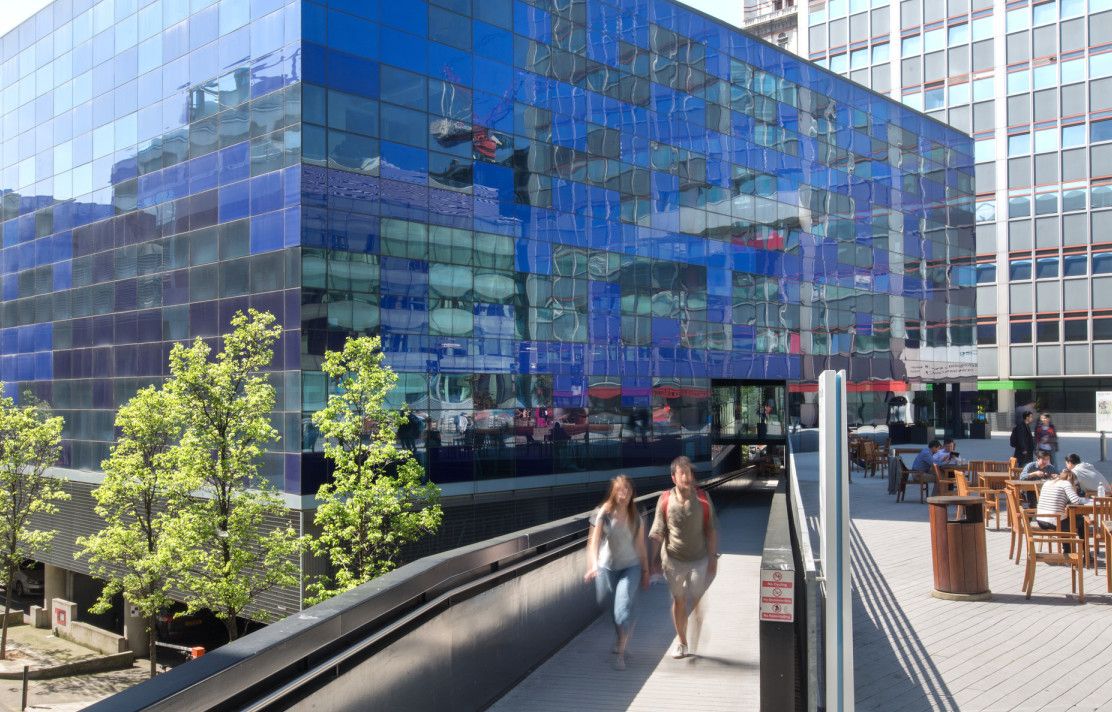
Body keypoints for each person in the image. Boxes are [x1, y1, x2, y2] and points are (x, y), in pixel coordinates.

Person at [649, 456, 718, 660]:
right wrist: (652, 560)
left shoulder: (703, 499)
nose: (687, 477)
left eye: (689, 473)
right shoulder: (665, 500)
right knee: (679, 600)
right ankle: (682, 642)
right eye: (682, 473)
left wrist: (713, 558)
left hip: (699, 558)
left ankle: (697, 619)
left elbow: (711, 530)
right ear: (674, 477)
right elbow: (657, 531)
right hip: (673, 560)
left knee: (696, 598)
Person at [584, 475, 650, 670]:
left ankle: (620, 652)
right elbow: (593, 542)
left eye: (628, 490)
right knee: (610, 606)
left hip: (630, 566)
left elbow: (640, 546)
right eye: (620, 490)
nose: (624, 494)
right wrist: (593, 565)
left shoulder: (636, 516)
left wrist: (646, 570)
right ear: (613, 492)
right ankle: (624, 632)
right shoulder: (603, 513)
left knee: (621, 609)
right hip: (606, 566)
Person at [1035, 469, 1090, 552]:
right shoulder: (1066, 484)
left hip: (1040, 521)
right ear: (1072, 481)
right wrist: (1088, 500)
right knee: (1082, 521)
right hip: (1053, 521)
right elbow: (1076, 500)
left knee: (1067, 520)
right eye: (1075, 484)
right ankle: (1086, 554)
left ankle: (1067, 550)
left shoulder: (1048, 482)